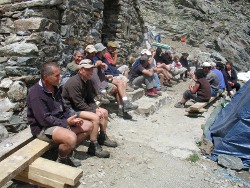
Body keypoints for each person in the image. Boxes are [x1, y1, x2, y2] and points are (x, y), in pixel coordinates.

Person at [27, 62, 93, 167]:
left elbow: (64, 107)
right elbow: (44, 119)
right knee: (71, 138)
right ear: (46, 77)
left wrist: (72, 118)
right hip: (42, 128)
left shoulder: (55, 87)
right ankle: (62, 158)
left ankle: (67, 150)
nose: (60, 77)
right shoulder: (36, 94)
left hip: (58, 121)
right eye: (56, 75)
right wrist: (66, 122)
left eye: (59, 74)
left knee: (89, 126)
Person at [62, 59, 117, 158]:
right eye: (88, 70)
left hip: (79, 107)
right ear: (81, 70)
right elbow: (78, 103)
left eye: (92, 69)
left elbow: (89, 98)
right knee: (95, 117)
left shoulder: (87, 80)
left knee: (104, 111)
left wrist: (96, 108)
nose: (91, 72)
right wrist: (93, 111)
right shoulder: (74, 82)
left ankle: (102, 137)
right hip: (71, 110)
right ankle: (93, 146)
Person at [93, 43, 138, 119]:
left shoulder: (103, 58)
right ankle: (125, 104)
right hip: (102, 79)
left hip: (107, 76)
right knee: (120, 83)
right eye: (103, 49)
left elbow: (109, 67)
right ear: (99, 51)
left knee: (119, 87)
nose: (105, 50)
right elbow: (100, 71)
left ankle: (121, 109)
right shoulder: (95, 59)